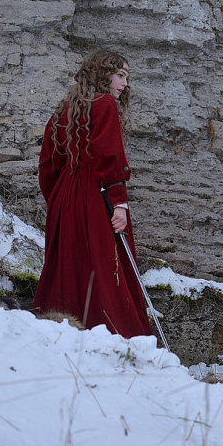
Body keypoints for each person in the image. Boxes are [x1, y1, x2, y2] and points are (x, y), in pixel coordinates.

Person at [33, 50, 153, 339]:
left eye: (127, 77)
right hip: (95, 196)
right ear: (103, 74)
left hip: (65, 200)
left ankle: (64, 330)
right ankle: (113, 333)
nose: (125, 83)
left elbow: (48, 166)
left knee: (69, 265)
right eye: (120, 75)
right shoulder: (105, 104)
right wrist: (119, 203)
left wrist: (59, 203)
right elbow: (110, 156)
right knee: (104, 264)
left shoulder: (63, 110)